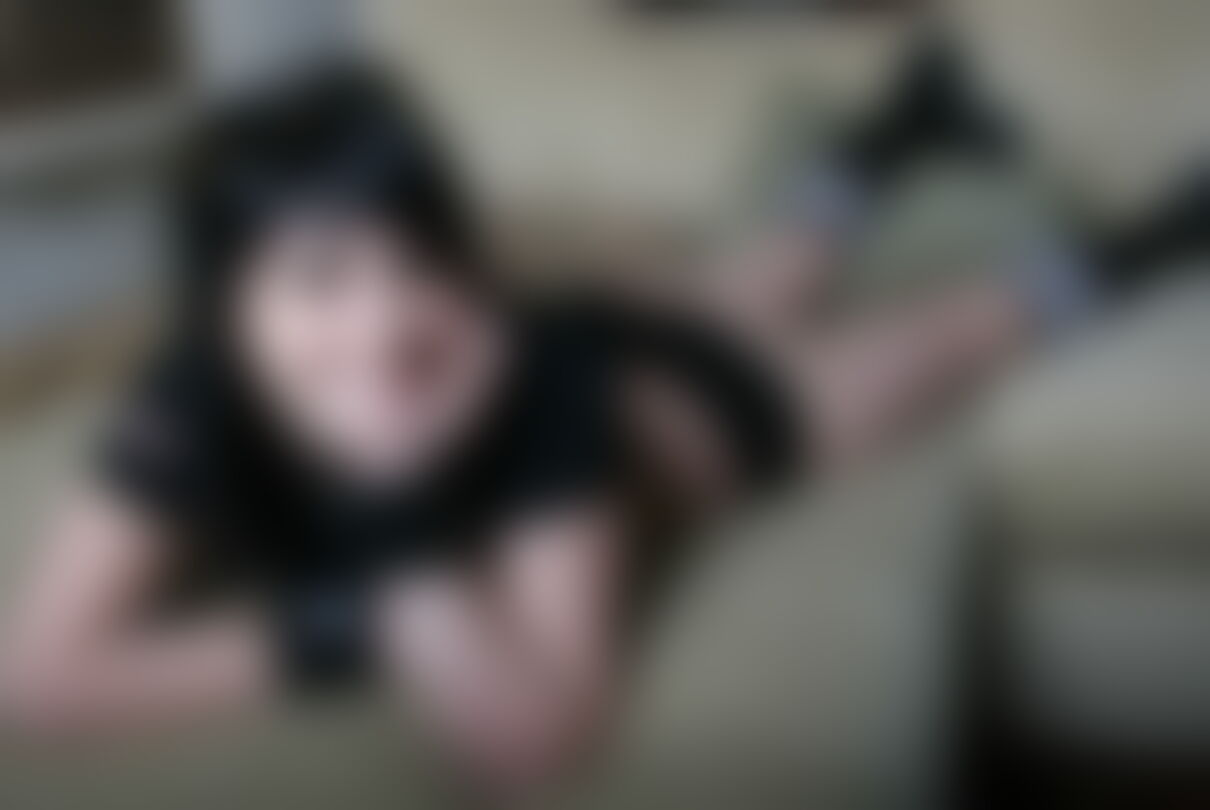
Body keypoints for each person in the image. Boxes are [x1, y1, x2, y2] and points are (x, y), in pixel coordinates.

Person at [2, 48, 1198, 797]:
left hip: (723, 413)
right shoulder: (190, 396)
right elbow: (39, 680)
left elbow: (537, 736)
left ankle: (1153, 238)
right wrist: (349, 624)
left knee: (958, 328)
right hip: (599, 331)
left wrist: (393, 509)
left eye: (417, 260)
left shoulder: (522, 379)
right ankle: (906, 124)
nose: (384, 322)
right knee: (762, 274)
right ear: (220, 308)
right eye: (319, 277)